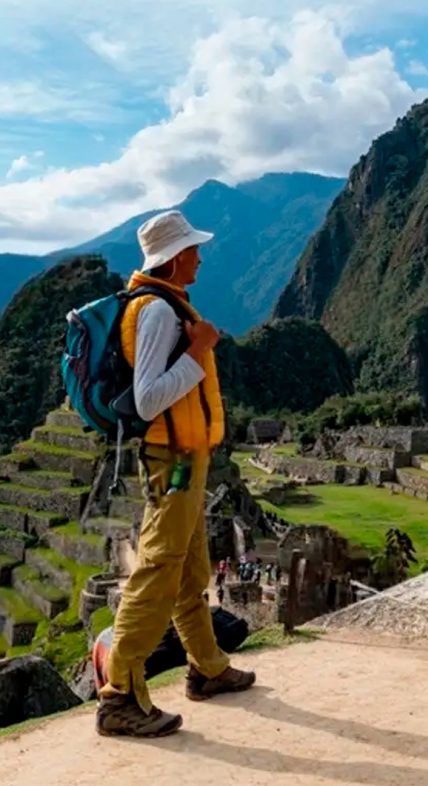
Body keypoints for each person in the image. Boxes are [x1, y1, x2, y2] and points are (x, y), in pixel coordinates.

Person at [96, 210, 255, 739]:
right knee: (158, 567)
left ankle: (207, 667)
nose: (201, 258)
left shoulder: (166, 304)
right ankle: (118, 695)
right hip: (175, 462)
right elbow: (147, 399)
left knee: (191, 570)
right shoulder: (157, 312)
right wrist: (199, 350)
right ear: (175, 257)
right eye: (194, 250)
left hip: (187, 457)